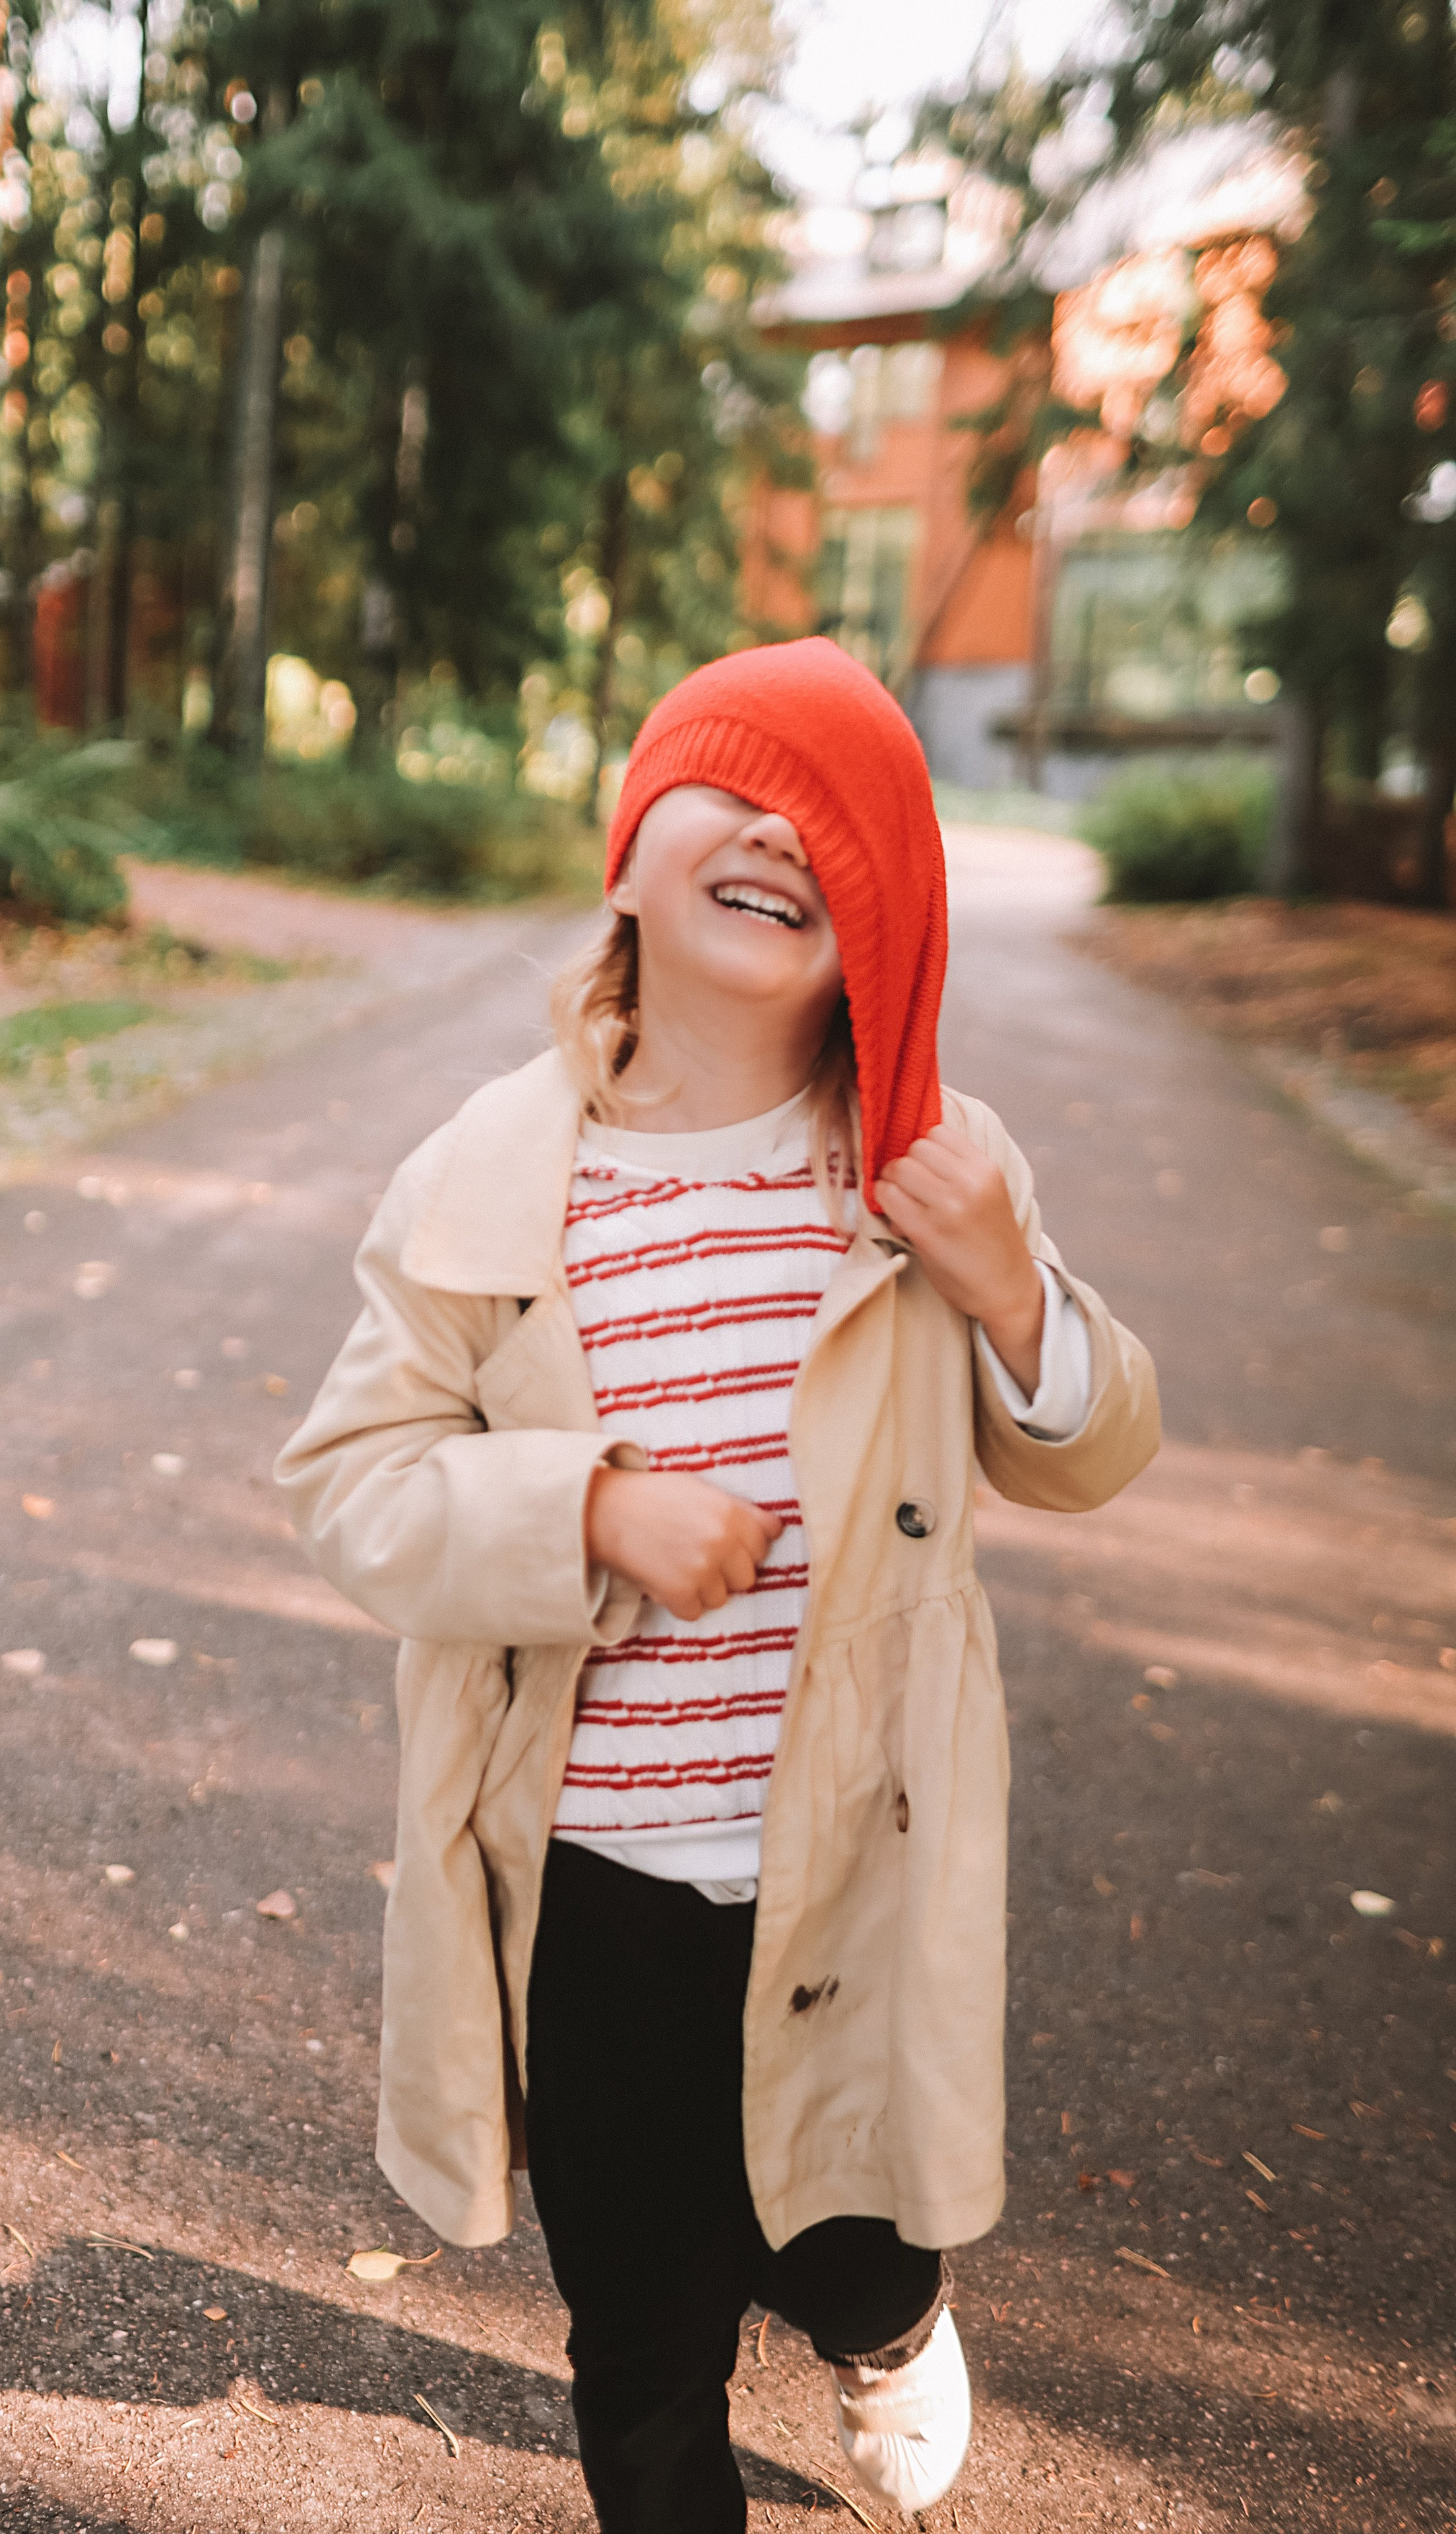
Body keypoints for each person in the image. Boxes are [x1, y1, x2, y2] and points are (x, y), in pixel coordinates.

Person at [276, 638, 1160, 2530]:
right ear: (628, 851)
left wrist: (1010, 1284)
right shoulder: (486, 1182)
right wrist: (587, 1511)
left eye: (836, 825)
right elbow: (350, 1487)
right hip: (589, 1873)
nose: (779, 826)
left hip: (849, 1845)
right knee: (640, 2308)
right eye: (737, 782)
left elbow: (1091, 1445)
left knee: (842, 2229)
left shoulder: (923, 1167)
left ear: (883, 927)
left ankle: (889, 2326)